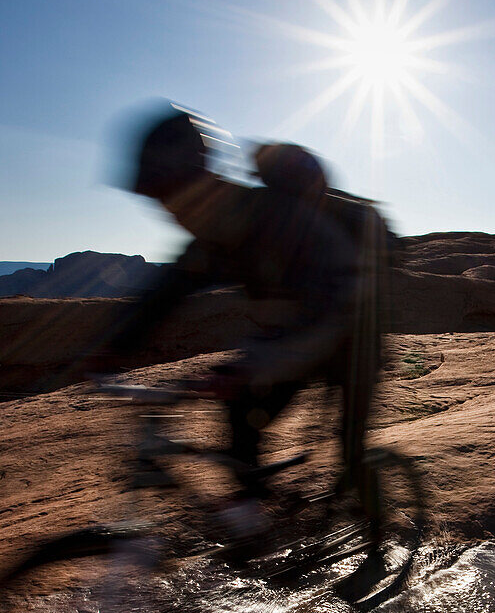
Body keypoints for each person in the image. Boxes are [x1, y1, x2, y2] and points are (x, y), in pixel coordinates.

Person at [100, 104, 392, 545]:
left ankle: (378, 537)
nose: (166, 210)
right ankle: (258, 528)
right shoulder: (214, 236)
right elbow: (164, 296)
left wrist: (252, 366)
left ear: (193, 182)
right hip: (296, 341)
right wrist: (108, 350)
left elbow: (333, 304)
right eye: (156, 199)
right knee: (240, 413)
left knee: (349, 450)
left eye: (166, 195)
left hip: (352, 340)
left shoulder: (277, 217)